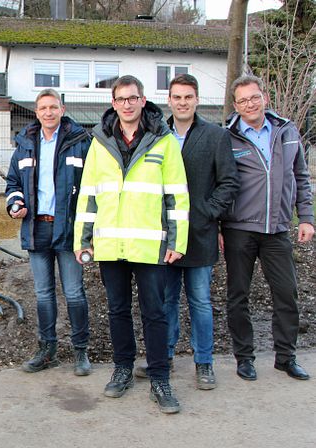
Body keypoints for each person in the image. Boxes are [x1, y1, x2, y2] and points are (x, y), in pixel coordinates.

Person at [73, 75, 189, 414]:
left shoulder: (163, 141)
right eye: (121, 98)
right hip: (110, 244)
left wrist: (177, 240)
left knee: (155, 313)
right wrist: (83, 240)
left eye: (132, 98)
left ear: (142, 101)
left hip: (149, 246)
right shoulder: (99, 142)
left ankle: (160, 379)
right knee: (118, 311)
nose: (127, 104)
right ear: (113, 103)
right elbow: (88, 197)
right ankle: (122, 369)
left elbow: (177, 197)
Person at [134, 74, 240, 390]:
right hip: (164, 234)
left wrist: (206, 213)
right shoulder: (155, 135)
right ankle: (163, 357)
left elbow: (229, 182)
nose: (182, 102)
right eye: (177, 97)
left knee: (200, 301)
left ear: (196, 99)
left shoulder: (215, 136)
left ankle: (204, 363)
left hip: (199, 235)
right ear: (169, 100)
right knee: (166, 302)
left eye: (188, 97)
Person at [221, 75, 314, 381]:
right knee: (238, 296)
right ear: (236, 105)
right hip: (239, 229)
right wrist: (219, 226)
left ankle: (286, 357)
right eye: (243, 100)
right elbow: (219, 183)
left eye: (255, 97)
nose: (250, 104)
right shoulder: (227, 136)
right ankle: (244, 357)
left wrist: (306, 218)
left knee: (287, 293)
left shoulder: (286, 131)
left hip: (276, 229)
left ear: (265, 98)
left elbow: (301, 176)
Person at [5, 88, 92, 376]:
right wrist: (15, 202)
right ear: (36, 111)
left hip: (68, 227)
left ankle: (81, 351)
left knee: (74, 292)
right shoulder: (25, 145)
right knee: (43, 293)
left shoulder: (81, 142)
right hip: (36, 227)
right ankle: (47, 349)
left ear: (62, 109)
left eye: (53, 107)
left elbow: (92, 186)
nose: (48, 112)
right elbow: (12, 183)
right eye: (43, 108)